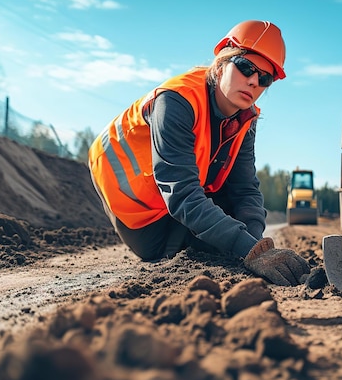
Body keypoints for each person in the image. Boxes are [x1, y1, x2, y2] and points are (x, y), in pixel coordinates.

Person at [88, 20, 310, 286]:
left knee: (230, 227)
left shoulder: (246, 119)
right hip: (136, 205)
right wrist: (247, 248)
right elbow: (183, 195)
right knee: (189, 249)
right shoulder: (175, 101)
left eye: (265, 78)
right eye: (245, 67)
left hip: (177, 191)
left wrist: (258, 247)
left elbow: (245, 189)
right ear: (221, 62)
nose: (253, 81)